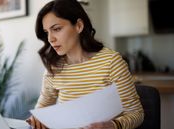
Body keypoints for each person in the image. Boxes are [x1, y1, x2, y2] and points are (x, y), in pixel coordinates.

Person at [26, 0, 144, 129]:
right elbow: (42, 110)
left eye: (56, 29)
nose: (50, 39)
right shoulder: (54, 67)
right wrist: (36, 120)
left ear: (78, 26)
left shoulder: (111, 62)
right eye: (47, 32)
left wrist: (113, 125)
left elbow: (136, 113)